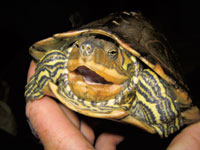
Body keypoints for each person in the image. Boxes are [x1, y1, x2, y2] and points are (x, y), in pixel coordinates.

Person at [26, 61, 200, 150]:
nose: (89, 53)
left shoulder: (141, 79)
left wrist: (166, 115)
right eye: (80, 48)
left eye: (111, 53)